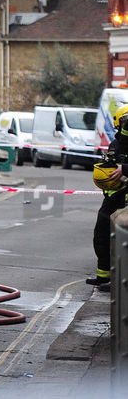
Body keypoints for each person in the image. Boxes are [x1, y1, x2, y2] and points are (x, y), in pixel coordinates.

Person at [89, 104, 128, 291]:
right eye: (126, 121)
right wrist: (103, 172)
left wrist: (125, 169)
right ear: (118, 124)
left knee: (124, 240)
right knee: (101, 236)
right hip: (113, 199)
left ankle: (121, 281)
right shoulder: (115, 144)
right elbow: (111, 165)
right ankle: (103, 276)